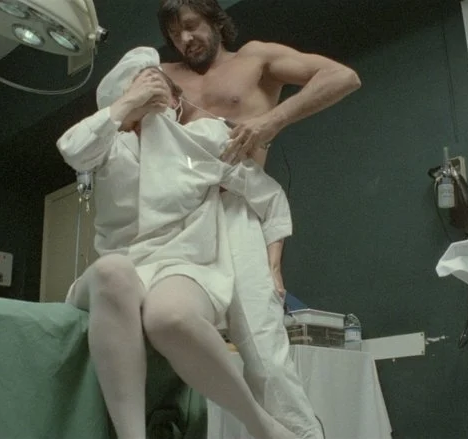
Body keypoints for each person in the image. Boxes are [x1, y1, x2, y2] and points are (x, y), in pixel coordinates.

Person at [56, 46, 297, 439]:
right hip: (120, 269)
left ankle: (261, 425)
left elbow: (269, 197)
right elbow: (72, 149)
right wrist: (129, 103)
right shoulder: (107, 146)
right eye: (146, 85)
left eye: (164, 89)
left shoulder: (198, 143)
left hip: (181, 268)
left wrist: (273, 265)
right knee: (113, 270)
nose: (159, 96)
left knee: (169, 317)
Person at [157, 1, 362, 438]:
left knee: (264, 354)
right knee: (162, 333)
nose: (185, 39)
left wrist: (271, 121)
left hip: (237, 209)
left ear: (214, 20)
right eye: (175, 34)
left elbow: (343, 76)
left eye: (191, 26)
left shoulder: (256, 59)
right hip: (176, 216)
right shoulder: (165, 76)